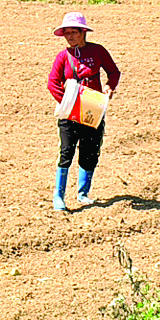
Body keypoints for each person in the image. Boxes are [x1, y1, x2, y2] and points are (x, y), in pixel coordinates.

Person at [47, 12, 120, 210]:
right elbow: (52, 82)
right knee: (67, 151)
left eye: (73, 32)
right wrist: (68, 102)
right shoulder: (62, 57)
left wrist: (109, 86)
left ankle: (83, 193)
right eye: (66, 33)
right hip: (69, 113)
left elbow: (113, 72)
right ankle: (59, 197)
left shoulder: (98, 51)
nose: (69, 36)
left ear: (83, 33)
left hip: (93, 109)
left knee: (90, 151)